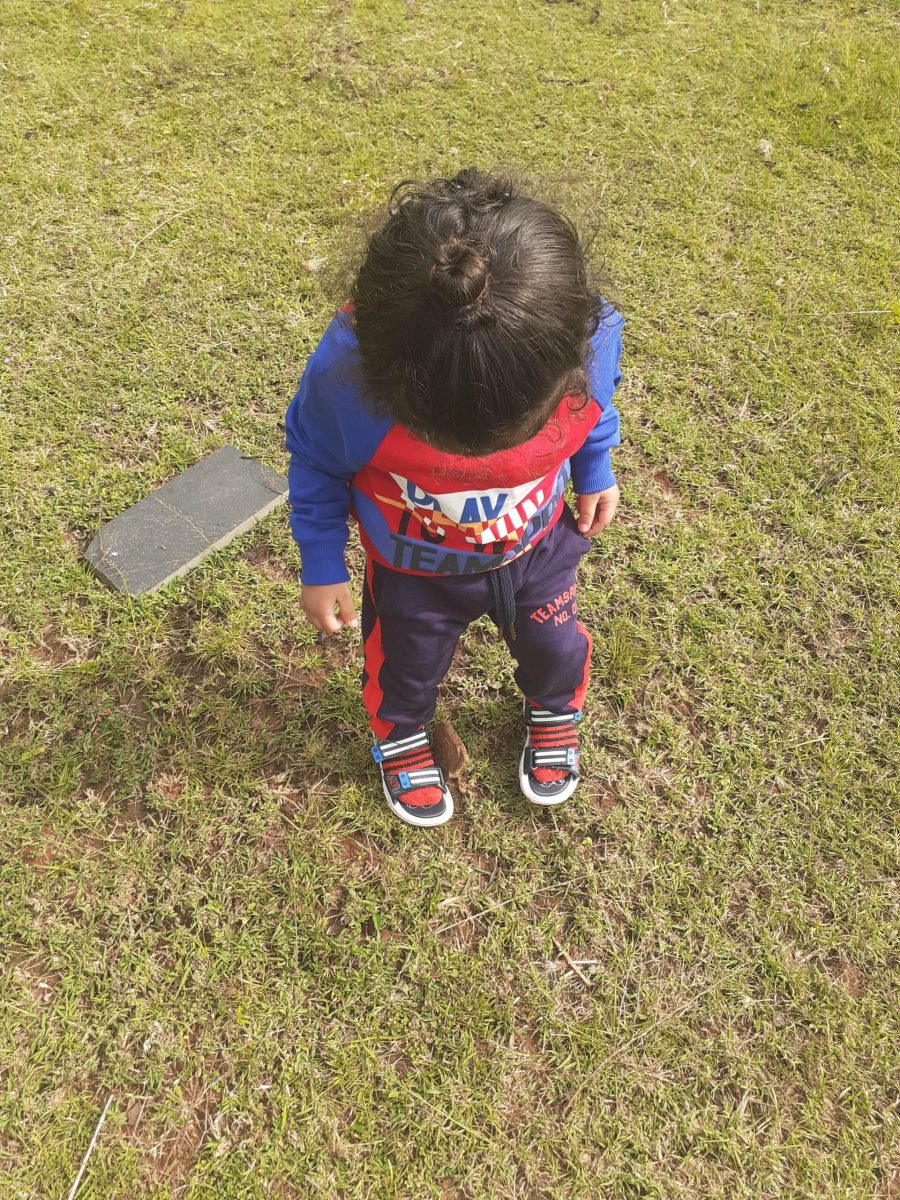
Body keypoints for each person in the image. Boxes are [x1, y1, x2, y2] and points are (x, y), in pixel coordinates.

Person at [285, 168, 623, 828]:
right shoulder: (347, 380)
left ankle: (555, 706)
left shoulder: (587, 332)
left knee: (556, 649)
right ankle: (401, 731)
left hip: (540, 550)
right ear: (385, 380)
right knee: (403, 669)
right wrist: (321, 564)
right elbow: (317, 460)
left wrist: (595, 464)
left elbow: (595, 407)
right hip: (413, 575)